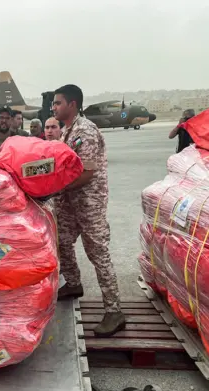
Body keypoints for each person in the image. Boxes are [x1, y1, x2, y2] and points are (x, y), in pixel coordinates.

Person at [52, 84, 125, 337]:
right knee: (62, 241)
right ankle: (73, 284)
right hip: (70, 202)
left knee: (98, 253)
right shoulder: (67, 132)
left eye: (58, 103)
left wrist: (56, 187)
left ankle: (114, 311)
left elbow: (87, 172)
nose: (54, 107)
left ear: (72, 104)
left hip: (89, 203)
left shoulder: (86, 130)